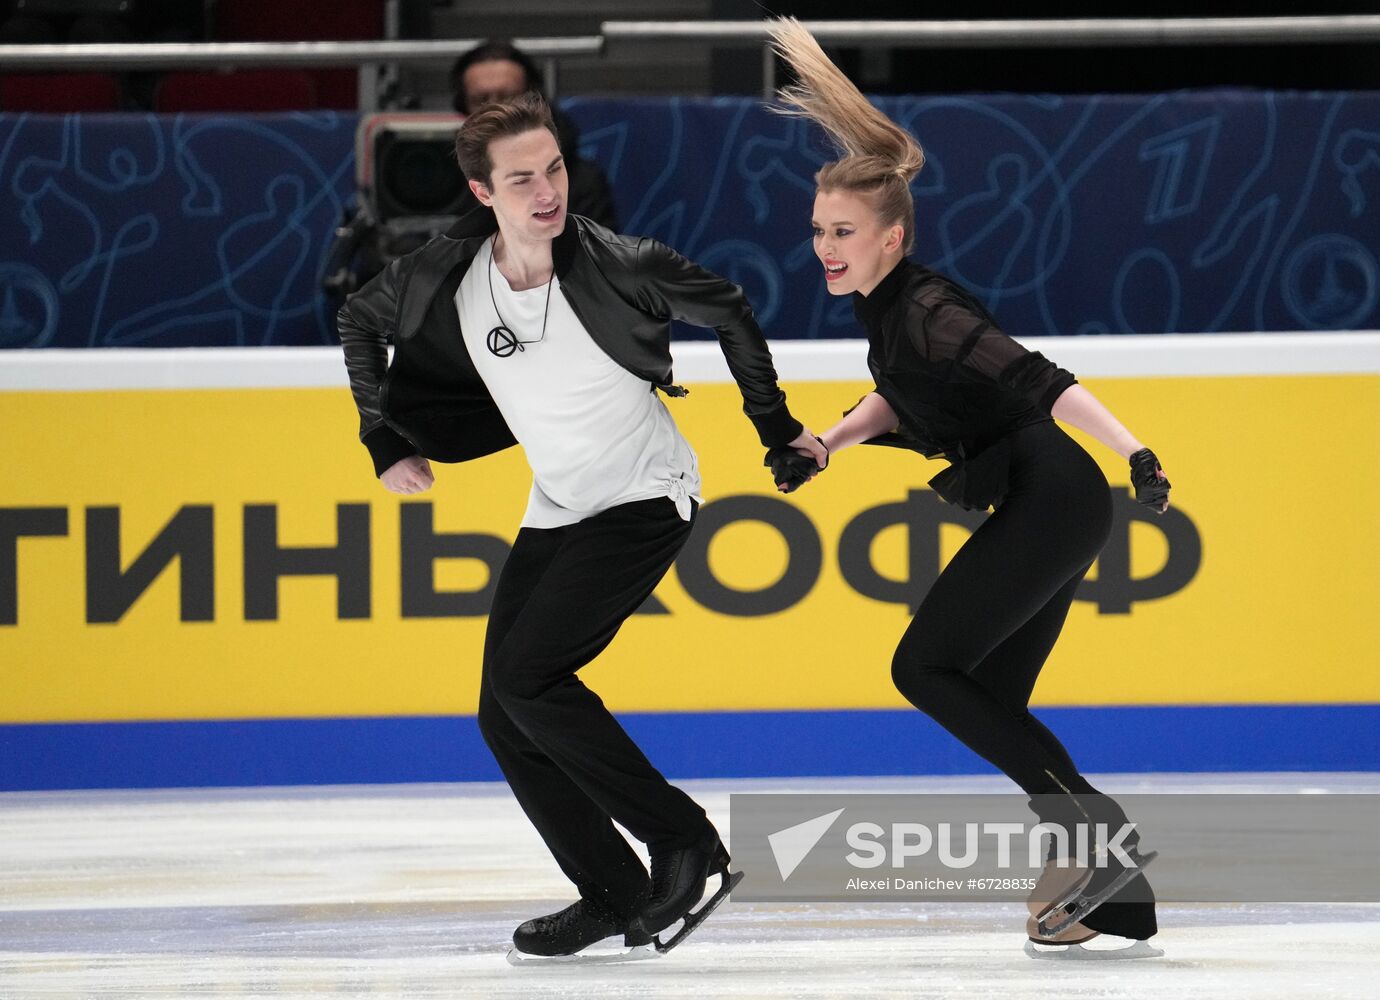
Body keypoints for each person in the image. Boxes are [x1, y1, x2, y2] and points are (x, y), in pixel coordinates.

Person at [337, 90, 825, 960]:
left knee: (530, 681)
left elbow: (732, 309)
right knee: (501, 711)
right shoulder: (450, 275)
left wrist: (774, 427)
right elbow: (358, 322)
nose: (546, 189)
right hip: (560, 503)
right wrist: (382, 438)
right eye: (521, 177)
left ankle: (685, 843)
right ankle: (610, 889)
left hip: (645, 493)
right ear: (483, 193)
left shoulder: (620, 262)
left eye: (554, 167)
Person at [763, 18, 1169, 958]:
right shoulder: (888, 312)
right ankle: (1118, 888)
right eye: (819, 230)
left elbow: (1039, 379)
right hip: (1045, 497)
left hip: (1054, 492)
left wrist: (1136, 450)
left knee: (924, 668)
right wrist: (828, 444)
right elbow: (899, 400)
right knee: (991, 691)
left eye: (845, 233)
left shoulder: (933, 313)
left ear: (891, 237)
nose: (825, 247)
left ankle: (1099, 839)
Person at [449, 39, 619, 234]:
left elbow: (598, 257)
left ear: (533, 101)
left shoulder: (580, 179)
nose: (494, 109)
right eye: (480, 100)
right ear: (461, 108)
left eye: (508, 98)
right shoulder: (442, 175)